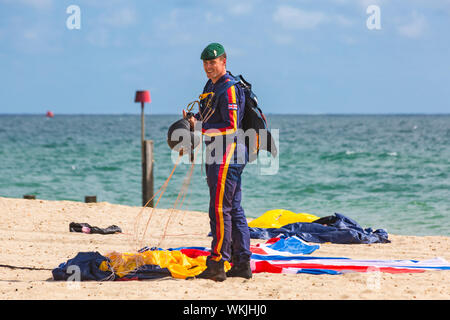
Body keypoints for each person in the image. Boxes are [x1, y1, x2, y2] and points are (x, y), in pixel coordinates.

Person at [183, 43, 252, 281]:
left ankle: (217, 263)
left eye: (213, 63)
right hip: (217, 152)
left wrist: (200, 128)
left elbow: (231, 125)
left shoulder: (230, 88)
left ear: (224, 62)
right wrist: (194, 120)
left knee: (220, 209)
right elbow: (211, 117)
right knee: (233, 209)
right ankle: (242, 264)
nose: (209, 67)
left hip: (229, 154)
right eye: (205, 63)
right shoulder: (211, 86)